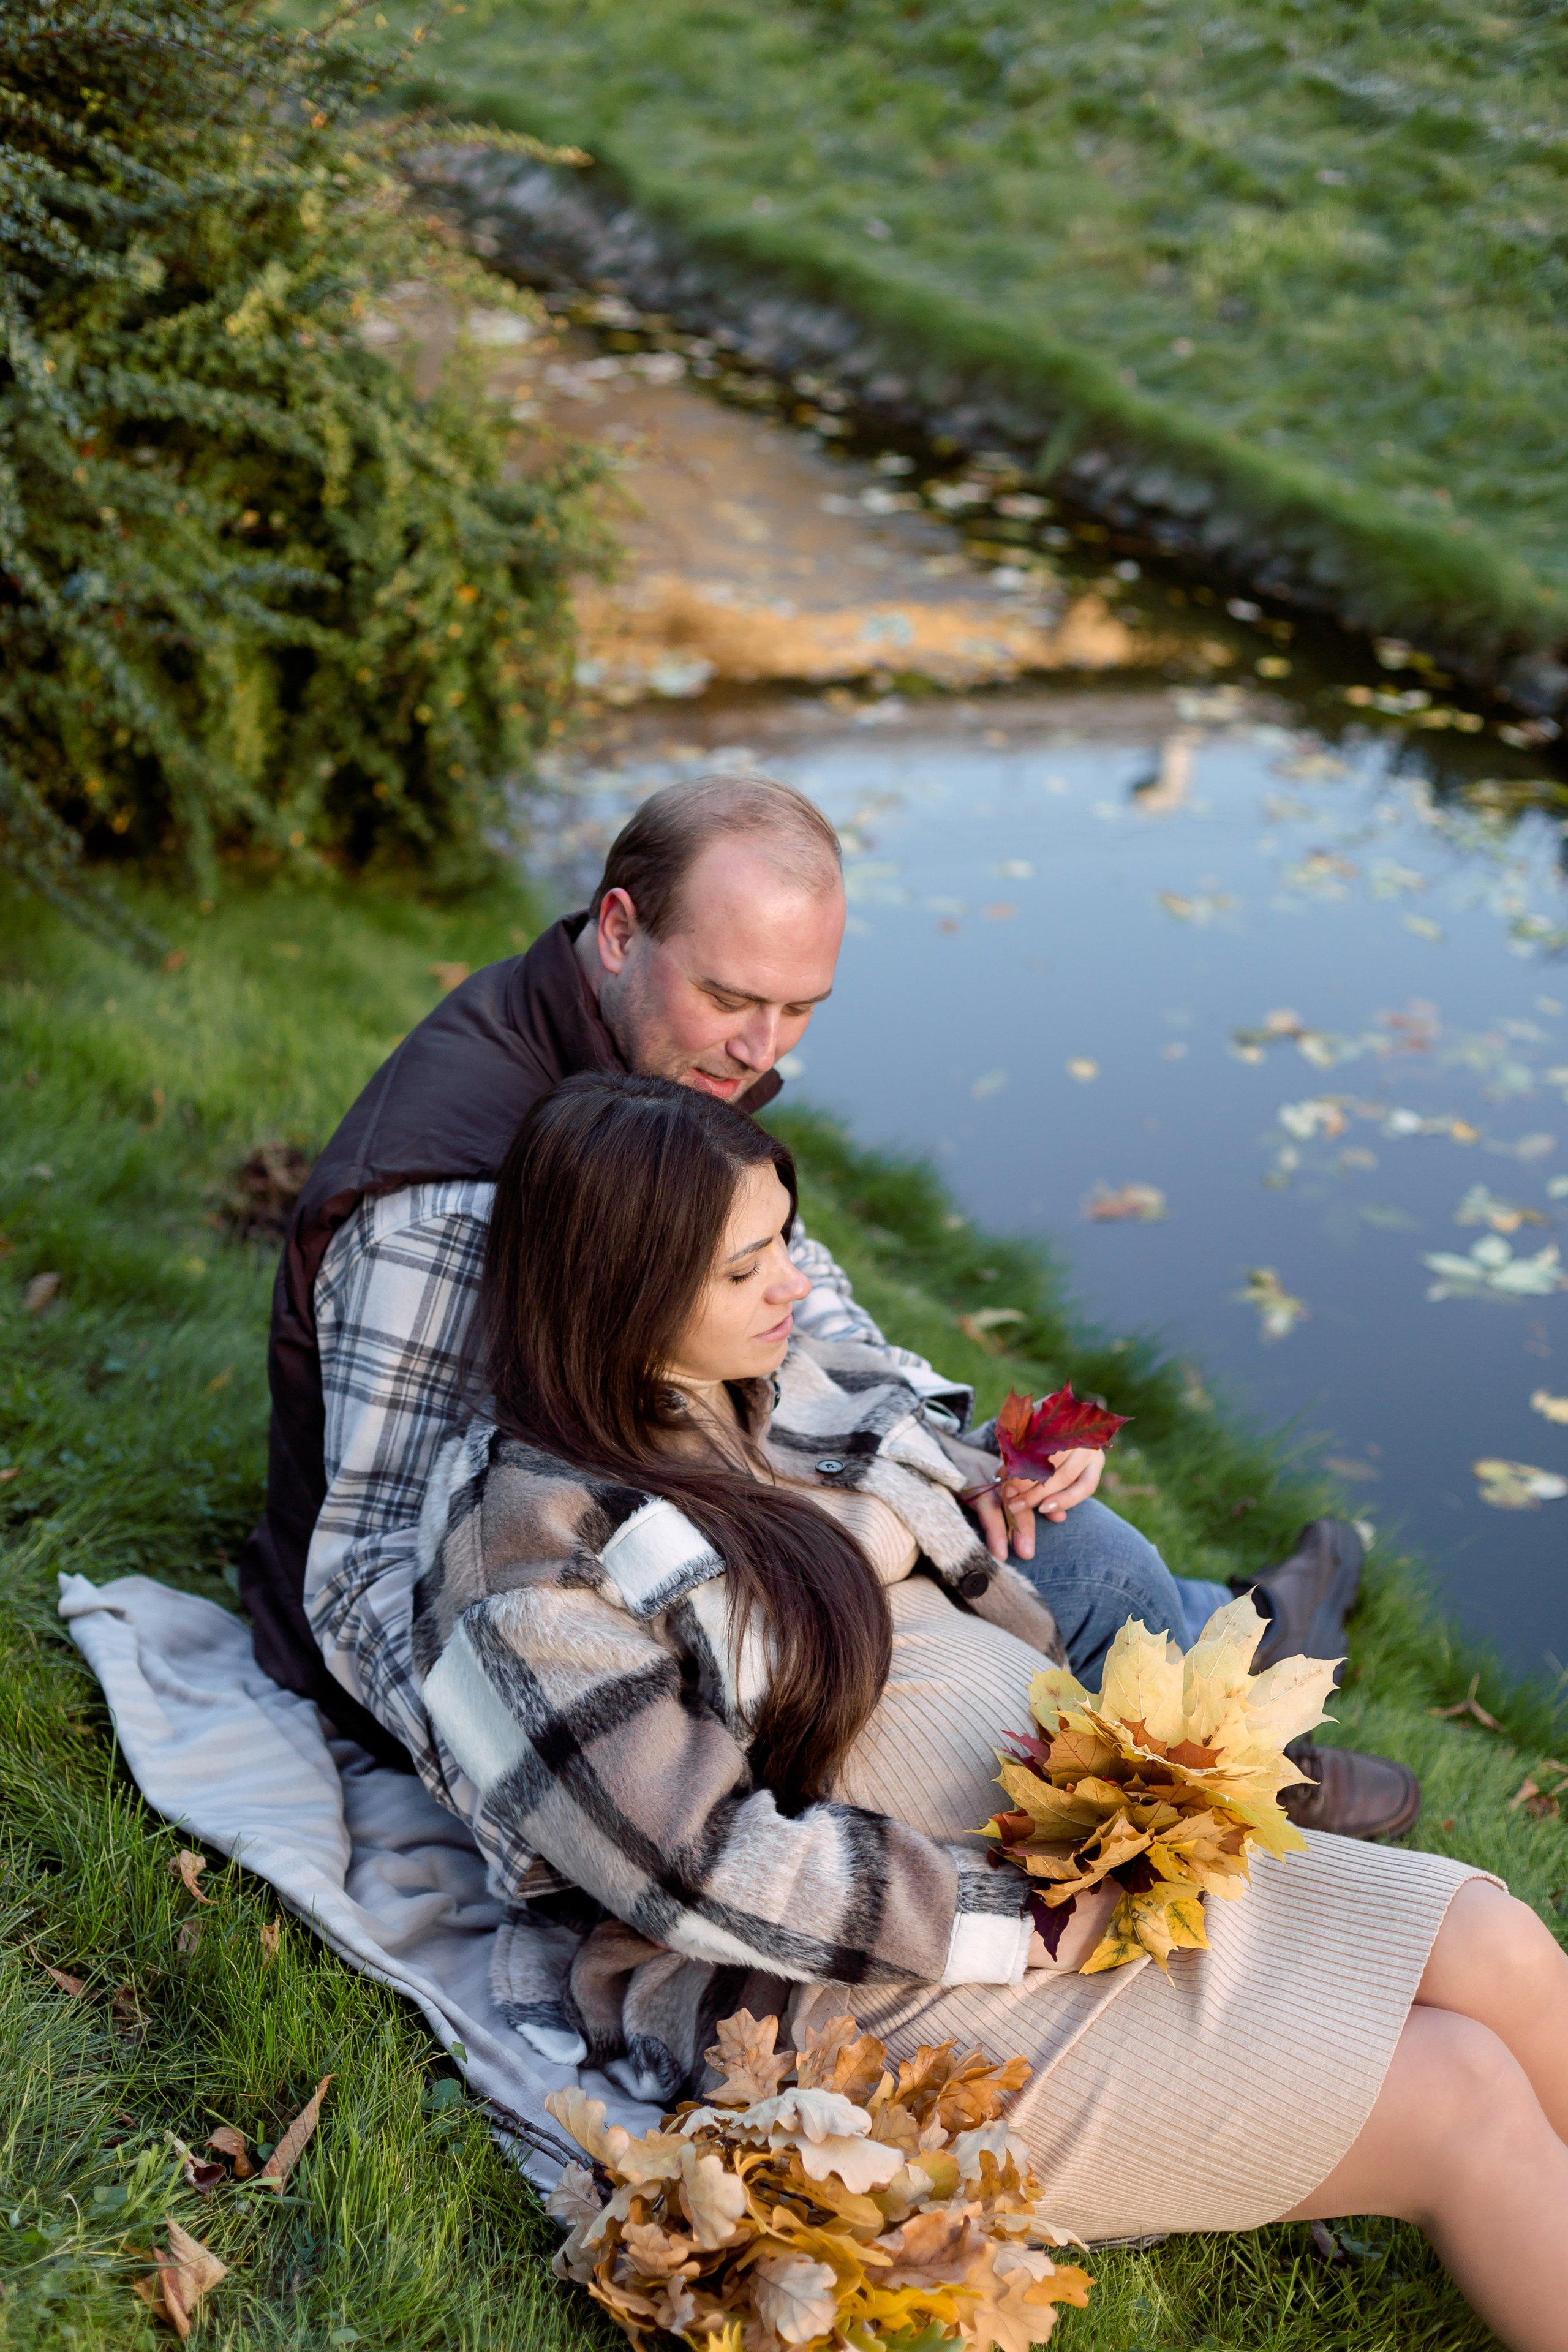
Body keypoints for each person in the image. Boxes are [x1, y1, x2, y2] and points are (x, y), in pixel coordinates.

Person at [316, 1073, 1568, 2352]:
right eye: (745, 1270)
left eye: (782, 1245)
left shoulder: (751, 1383)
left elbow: (893, 1475)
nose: (792, 1289)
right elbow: (696, 1872)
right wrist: (1010, 1917)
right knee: (1455, 2097)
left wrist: (1005, 1476)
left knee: (1496, 1939)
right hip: (865, 1998)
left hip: (1073, 1862)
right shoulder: (525, 1559)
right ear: (622, 1292)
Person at [243, 769, 1415, 1834]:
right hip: (599, 1588)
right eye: (733, 997)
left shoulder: (654, 1050)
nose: (761, 1051)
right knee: (1098, 1575)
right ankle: (1258, 1727)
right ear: (618, 930)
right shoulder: (446, 1209)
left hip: (675, 1468)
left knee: (1063, 1538)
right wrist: (574, 1788)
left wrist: (945, 1443)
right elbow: (359, 1580)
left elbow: (796, 1285)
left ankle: (1247, 1645)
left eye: (802, 1009)